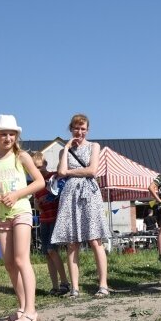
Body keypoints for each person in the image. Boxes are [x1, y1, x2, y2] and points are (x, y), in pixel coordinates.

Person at [0, 114, 44, 321]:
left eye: (11, 134)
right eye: (3, 134)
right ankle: (22, 306)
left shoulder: (22, 157)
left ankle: (31, 310)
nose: (7, 137)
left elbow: (39, 181)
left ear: (16, 136)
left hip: (21, 211)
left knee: (21, 259)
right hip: (1, 215)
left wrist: (17, 194)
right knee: (9, 263)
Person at [51, 114, 111, 298]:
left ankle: (103, 285)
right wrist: (67, 147)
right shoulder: (64, 151)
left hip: (89, 193)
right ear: (71, 129)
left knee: (95, 240)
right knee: (72, 242)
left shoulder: (94, 146)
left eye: (83, 128)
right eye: (77, 128)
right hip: (69, 194)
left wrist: (70, 172)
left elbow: (92, 170)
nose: (80, 132)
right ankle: (74, 288)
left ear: (87, 130)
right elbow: (60, 172)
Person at [31, 151, 70, 297]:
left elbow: (60, 191)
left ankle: (65, 282)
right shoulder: (36, 184)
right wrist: (37, 205)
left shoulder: (53, 177)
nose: (38, 170)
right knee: (48, 253)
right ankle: (54, 286)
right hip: (44, 219)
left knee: (53, 250)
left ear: (45, 164)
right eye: (34, 168)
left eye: (40, 166)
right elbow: (38, 207)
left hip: (55, 218)